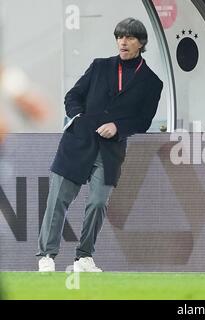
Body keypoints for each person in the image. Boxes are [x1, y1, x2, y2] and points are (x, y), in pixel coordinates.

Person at [36, 17, 163, 272]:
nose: (122, 42)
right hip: (77, 143)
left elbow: (144, 120)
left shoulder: (152, 82)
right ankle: (47, 255)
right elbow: (73, 96)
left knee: (97, 203)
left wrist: (118, 128)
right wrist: (79, 117)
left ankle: (84, 257)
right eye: (119, 37)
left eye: (129, 37)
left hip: (110, 151)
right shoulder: (100, 66)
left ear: (141, 43)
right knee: (57, 200)